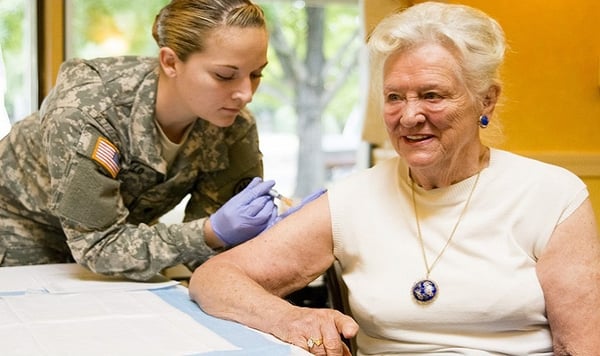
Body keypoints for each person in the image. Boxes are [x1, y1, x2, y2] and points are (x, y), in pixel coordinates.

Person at [188, 2, 600, 355]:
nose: (409, 116)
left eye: (432, 95)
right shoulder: (355, 198)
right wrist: (291, 319)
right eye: (394, 97)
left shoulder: (552, 196)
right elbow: (216, 278)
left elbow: (582, 347)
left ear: (485, 99)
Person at [0, 0, 285, 281]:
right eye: (225, 75)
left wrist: (281, 231)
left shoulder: (233, 124)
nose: (246, 94)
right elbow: (98, 246)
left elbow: (210, 250)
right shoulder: (88, 111)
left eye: (256, 74)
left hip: (118, 238)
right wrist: (210, 232)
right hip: (22, 225)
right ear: (171, 62)